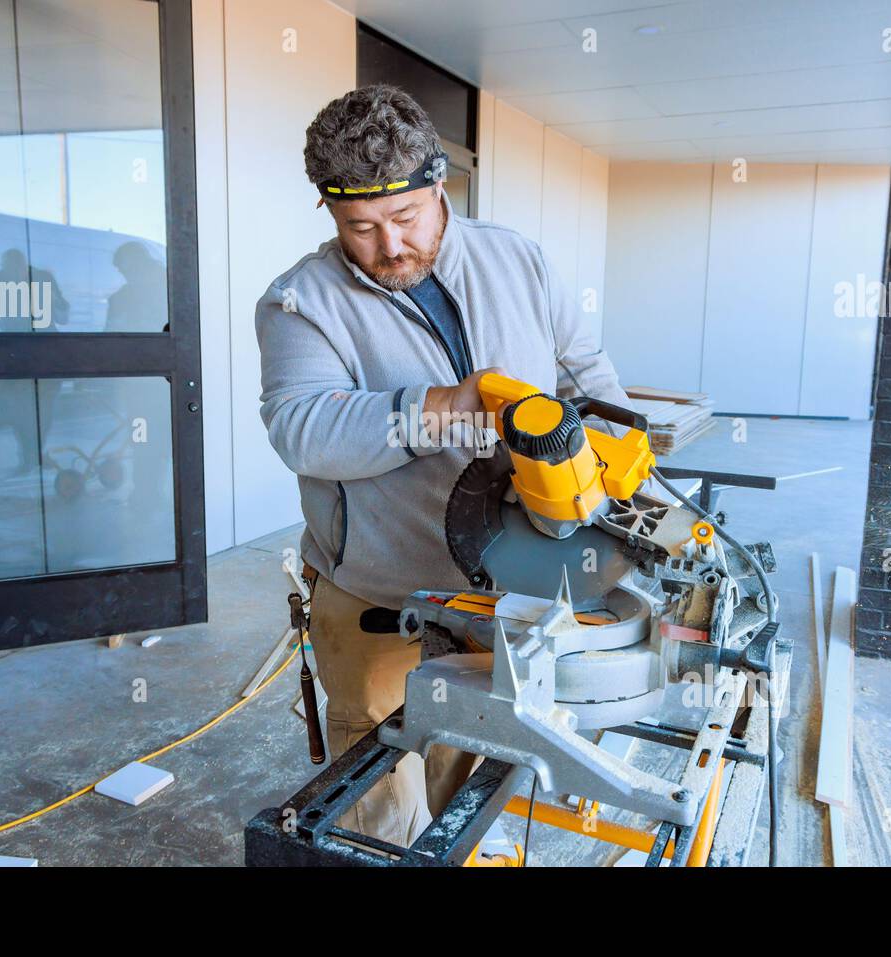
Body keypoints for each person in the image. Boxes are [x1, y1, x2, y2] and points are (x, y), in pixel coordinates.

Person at [255, 85, 633, 846]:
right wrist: (441, 408)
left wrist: (618, 471)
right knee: (376, 809)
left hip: (500, 595)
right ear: (330, 213)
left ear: (439, 186)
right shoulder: (301, 302)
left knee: (476, 790)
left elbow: (586, 378)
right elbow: (301, 427)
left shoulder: (519, 261)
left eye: (405, 218)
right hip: (376, 595)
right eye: (359, 227)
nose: (389, 247)